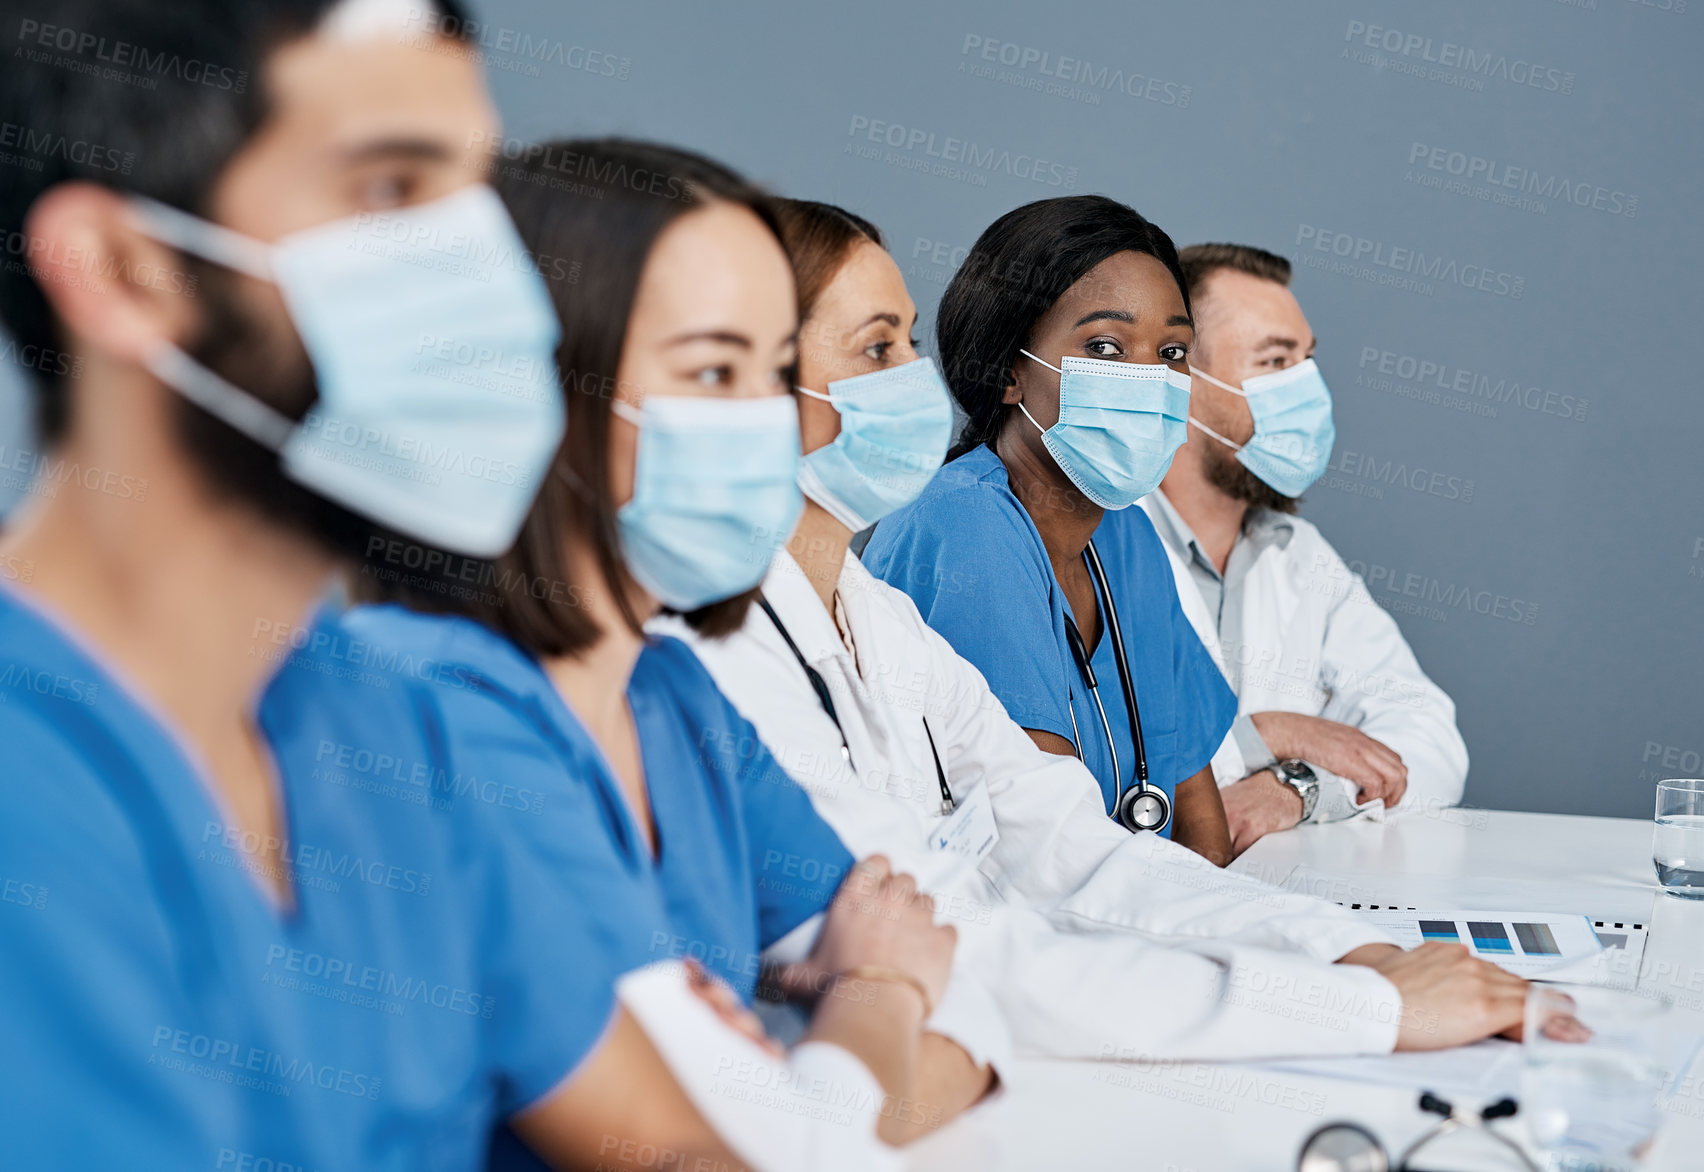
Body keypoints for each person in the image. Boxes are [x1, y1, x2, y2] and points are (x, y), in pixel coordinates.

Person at [0, 4, 929, 1169]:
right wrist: (873, 1001)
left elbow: (687, 1151)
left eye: (477, 198)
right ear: (127, 272)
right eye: (392, 190)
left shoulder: (384, 733)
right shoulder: (33, 789)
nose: (499, 288)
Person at [663, 196, 1533, 1063]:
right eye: (877, 348)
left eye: (910, 345)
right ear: (743, 380)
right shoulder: (710, 650)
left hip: (947, 1055)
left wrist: (1356, 953)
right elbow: (976, 941)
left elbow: (1072, 848)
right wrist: (1368, 1009)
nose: (910, 382)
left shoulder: (879, 620)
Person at [344, 138, 1000, 1162]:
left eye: (777, 371)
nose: (768, 420)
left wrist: (825, 1089)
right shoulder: (427, 715)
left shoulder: (672, 695)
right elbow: (745, 1143)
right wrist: (876, 998)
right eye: (711, 370)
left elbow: (960, 1002)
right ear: (536, 388)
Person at [862, 195, 1234, 863]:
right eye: (1105, 347)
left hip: (1127, 920)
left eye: (1172, 350)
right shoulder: (966, 527)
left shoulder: (1128, 540)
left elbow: (1201, 822)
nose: (1149, 377)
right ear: (1009, 370)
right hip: (996, 934)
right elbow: (1046, 851)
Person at [1134, 242, 1469, 854]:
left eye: (1306, 360)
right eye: (1275, 360)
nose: (1307, 388)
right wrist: (1270, 734)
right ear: (1178, 374)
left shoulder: (1296, 552)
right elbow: (1089, 773)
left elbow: (1430, 740)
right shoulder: (1097, 543)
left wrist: (1296, 784)